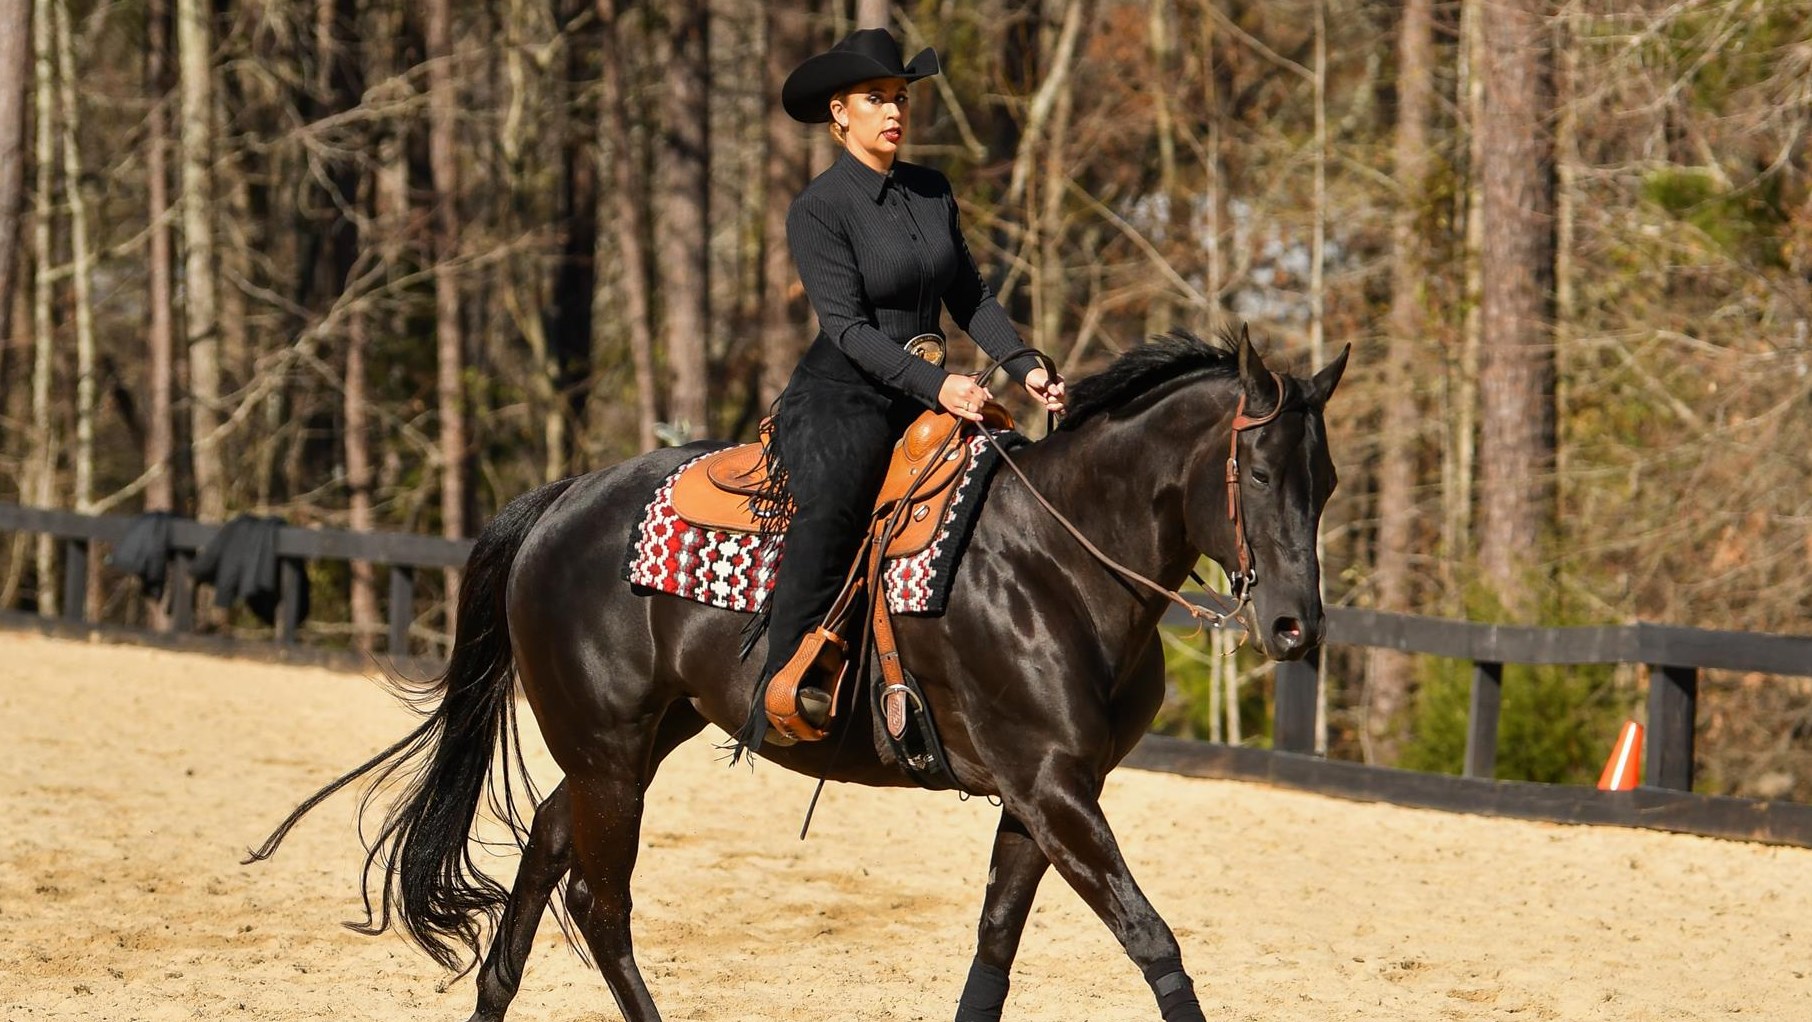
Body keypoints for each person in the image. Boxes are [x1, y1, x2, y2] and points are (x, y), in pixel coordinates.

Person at [738, 27, 1067, 753]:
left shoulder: (932, 189)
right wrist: (939, 384)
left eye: (900, 98)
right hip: (843, 394)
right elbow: (848, 329)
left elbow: (971, 295)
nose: (893, 111)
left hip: (928, 389)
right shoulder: (819, 207)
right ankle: (785, 685)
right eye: (875, 98)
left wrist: (1025, 365)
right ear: (839, 113)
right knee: (836, 501)